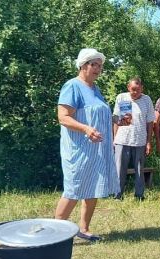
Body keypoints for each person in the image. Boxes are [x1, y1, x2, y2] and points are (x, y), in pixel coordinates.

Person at [55, 48, 121, 242]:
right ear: (83, 65)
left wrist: (118, 119)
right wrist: (85, 129)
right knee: (74, 189)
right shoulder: (72, 86)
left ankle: (84, 229)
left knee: (93, 187)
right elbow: (63, 117)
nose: (98, 69)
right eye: (94, 65)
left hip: (97, 150)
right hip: (79, 149)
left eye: (100, 66)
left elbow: (98, 115)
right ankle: (55, 234)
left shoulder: (95, 89)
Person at [113, 77, 155, 200]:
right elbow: (116, 119)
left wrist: (148, 142)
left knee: (139, 169)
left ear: (142, 88)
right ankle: (117, 195)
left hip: (139, 139)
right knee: (119, 168)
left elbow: (150, 122)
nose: (135, 92)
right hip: (122, 139)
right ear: (128, 88)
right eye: (133, 89)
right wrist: (114, 139)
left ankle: (139, 195)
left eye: (138, 89)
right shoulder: (121, 97)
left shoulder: (147, 100)